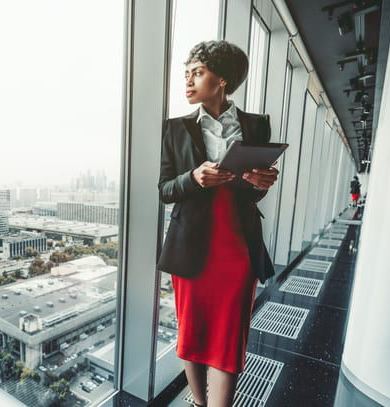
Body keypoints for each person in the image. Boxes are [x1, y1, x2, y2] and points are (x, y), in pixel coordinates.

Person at [156, 40, 279, 407]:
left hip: (238, 246)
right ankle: (198, 401)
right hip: (191, 244)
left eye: (197, 72)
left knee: (228, 336)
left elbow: (253, 191)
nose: (188, 81)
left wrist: (262, 183)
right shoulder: (175, 128)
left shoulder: (256, 125)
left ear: (221, 79)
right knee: (191, 334)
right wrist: (194, 178)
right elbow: (164, 189)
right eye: (187, 74)